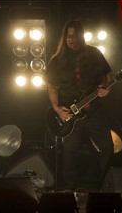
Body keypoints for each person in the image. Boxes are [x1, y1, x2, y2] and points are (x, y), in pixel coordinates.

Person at [45, 20, 114, 191]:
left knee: (107, 147)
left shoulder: (95, 54)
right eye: (68, 36)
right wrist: (56, 108)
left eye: (75, 36)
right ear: (64, 37)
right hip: (69, 112)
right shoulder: (57, 60)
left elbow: (107, 78)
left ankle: (105, 185)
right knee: (69, 150)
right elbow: (52, 86)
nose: (72, 39)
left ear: (81, 36)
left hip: (94, 110)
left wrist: (107, 90)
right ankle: (69, 186)